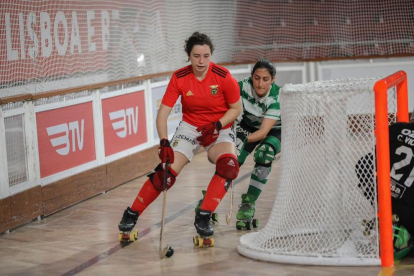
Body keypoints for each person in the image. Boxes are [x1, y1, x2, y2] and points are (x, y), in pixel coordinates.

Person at [118, 32, 242, 240]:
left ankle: (203, 216)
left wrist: (217, 125)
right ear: (189, 56)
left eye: (206, 56)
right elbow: (162, 115)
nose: (201, 61)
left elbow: (236, 108)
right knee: (164, 175)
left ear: (211, 55)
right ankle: (132, 213)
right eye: (196, 56)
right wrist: (164, 142)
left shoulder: (223, 76)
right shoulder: (180, 77)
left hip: (219, 128)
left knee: (228, 166)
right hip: (190, 128)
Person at [356, 110, 414, 260]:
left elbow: (362, 164)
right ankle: (402, 232)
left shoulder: (395, 129)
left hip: (384, 200)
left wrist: (374, 196)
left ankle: (391, 223)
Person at [235, 60, 281, 230]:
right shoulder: (241, 87)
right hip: (248, 125)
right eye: (256, 78)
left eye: (265, 79)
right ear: (251, 77)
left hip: (273, 129)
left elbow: (262, 133)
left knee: (264, 154)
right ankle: (210, 202)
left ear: (273, 80)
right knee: (229, 161)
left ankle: (249, 203)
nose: (260, 84)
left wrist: (241, 142)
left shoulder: (276, 98)